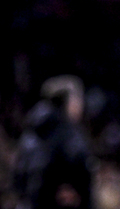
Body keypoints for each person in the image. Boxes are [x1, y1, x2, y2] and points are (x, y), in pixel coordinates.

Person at [13, 75, 93, 209]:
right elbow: (81, 180)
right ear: (69, 101)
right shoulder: (68, 134)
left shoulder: (30, 132)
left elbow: (18, 179)